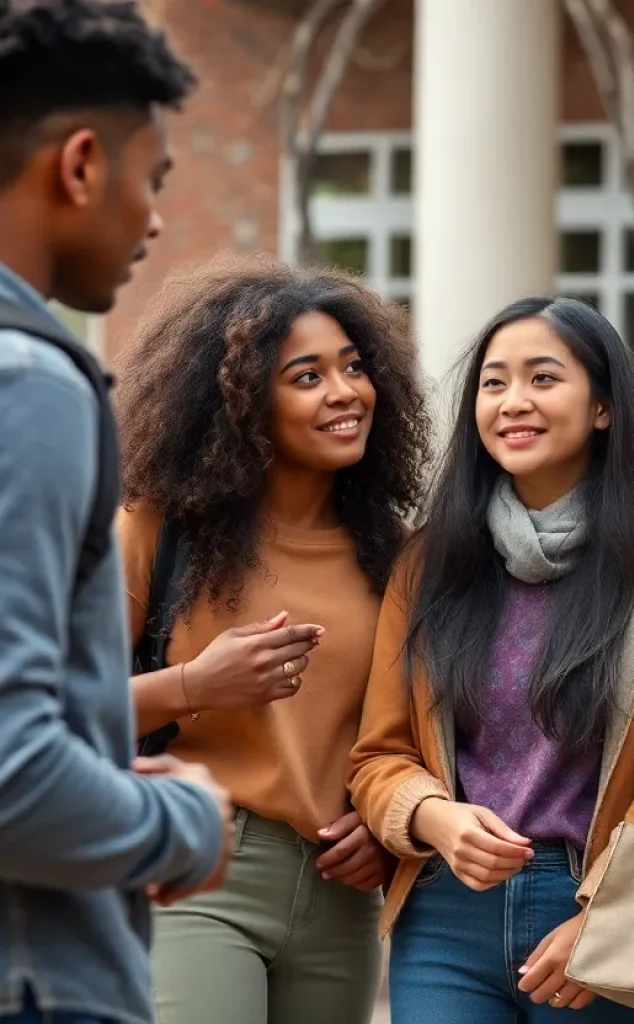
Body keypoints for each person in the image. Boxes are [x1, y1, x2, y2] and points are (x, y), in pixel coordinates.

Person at [348, 296, 634, 1024]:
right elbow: (379, 755)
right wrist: (434, 817)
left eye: (543, 378)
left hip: (595, 907)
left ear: (602, 408)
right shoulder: (430, 561)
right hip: (443, 914)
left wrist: (605, 914)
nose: (513, 402)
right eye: (494, 383)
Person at [113, 253, 429, 1024]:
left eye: (354, 368)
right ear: (242, 403)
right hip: (197, 871)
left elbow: (414, 733)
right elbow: (44, 713)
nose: (346, 392)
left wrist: (385, 826)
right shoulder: (155, 532)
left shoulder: (398, 556)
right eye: (308, 376)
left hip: (339, 893)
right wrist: (194, 686)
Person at [0, 3, 235, 1024]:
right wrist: (182, 819)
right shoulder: (31, 383)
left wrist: (99, 772)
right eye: (154, 178)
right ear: (81, 164)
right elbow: (8, 773)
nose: (151, 220)